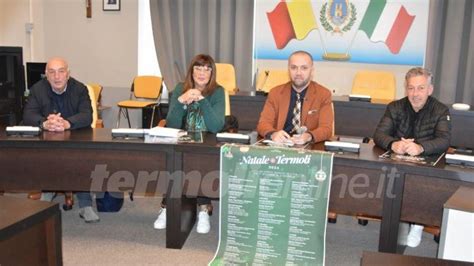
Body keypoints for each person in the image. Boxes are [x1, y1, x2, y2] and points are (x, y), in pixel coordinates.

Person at [374, 67, 451, 247]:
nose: (415, 93)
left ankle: (417, 223)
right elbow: (379, 134)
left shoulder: (440, 110)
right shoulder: (395, 107)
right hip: (397, 162)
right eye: (411, 88)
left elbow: (444, 140)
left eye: (421, 88)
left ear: (430, 90)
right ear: (406, 88)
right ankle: (395, 222)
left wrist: (421, 147)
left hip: (426, 164)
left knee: (421, 185)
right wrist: (394, 144)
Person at [154, 54, 225, 234]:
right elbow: (172, 124)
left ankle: (203, 209)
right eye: (198, 68)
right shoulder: (180, 88)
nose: (202, 73)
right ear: (191, 71)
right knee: (173, 159)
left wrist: (201, 100)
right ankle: (167, 207)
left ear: (212, 73)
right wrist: (180, 101)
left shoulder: (218, 92)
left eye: (207, 69)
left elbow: (216, 126)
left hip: (207, 141)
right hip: (182, 140)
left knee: (201, 161)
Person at [23, 57, 100, 223]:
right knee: (44, 155)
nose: (57, 76)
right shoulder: (37, 89)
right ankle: (47, 192)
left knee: (81, 158)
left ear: (68, 74)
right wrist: (45, 123)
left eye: (61, 71)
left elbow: (87, 115)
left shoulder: (79, 89)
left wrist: (66, 123)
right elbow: (28, 114)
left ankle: (85, 204)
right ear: (46, 75)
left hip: (76, 137)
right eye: (52, 72)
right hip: (48, 138)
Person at [257, 50, 334, 144]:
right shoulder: (275, 93)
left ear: (312, 71)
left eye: (304, 68)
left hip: (307, 149)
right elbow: (263, 124)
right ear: (288, 69)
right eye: (294, 68)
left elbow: (326, 129)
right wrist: (273, 134)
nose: (298, 73)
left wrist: (309, 136)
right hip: (280, 146)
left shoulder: (323, 94)